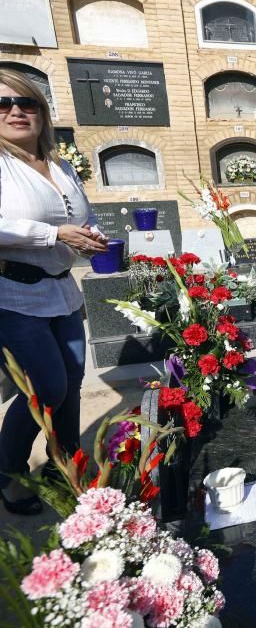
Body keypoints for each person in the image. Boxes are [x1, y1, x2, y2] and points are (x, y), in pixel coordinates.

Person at [0, 70, 108, 515]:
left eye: (26, 104)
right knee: (44, 388)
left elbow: (78, 215)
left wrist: (92, 235)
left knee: (72, 386)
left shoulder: (58, 164)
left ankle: (63, 465)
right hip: (15, 294)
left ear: (42, 114)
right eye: (3, 105)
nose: (16, 112)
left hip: (62, 294)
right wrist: (52, 235)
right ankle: (10, 474)